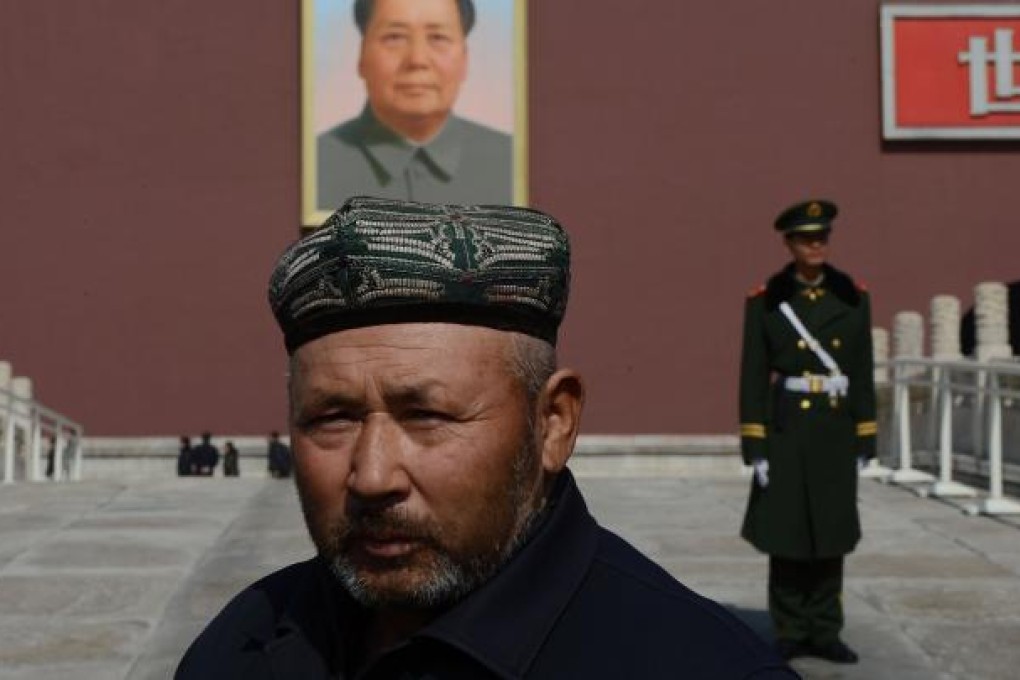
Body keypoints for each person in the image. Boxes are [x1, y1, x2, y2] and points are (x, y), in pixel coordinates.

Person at [177, 196, 796, 679]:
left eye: (427, 416)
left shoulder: (702, 667)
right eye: (331, 418)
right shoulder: (241, 643)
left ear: (554, 423)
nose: (371, 477)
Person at [739, 199, 877, 664]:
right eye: (805, 238)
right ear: (790, 243)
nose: (815, 245)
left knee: (832, 533)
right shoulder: (767, 299)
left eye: (822, 237)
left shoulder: (852, 295)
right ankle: (790, 628)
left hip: (835, 429)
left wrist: (866, 432)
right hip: (788, 431)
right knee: (787, 533)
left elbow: (860, 366)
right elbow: (753, 373)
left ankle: (825, 629)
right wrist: (755, 443)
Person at [316, 0, 512, 209]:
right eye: (395, 37)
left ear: (465, 59)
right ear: (362, 55)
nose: (417, 60)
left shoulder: (512, 164)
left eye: (438, 37)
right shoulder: (316, 166)